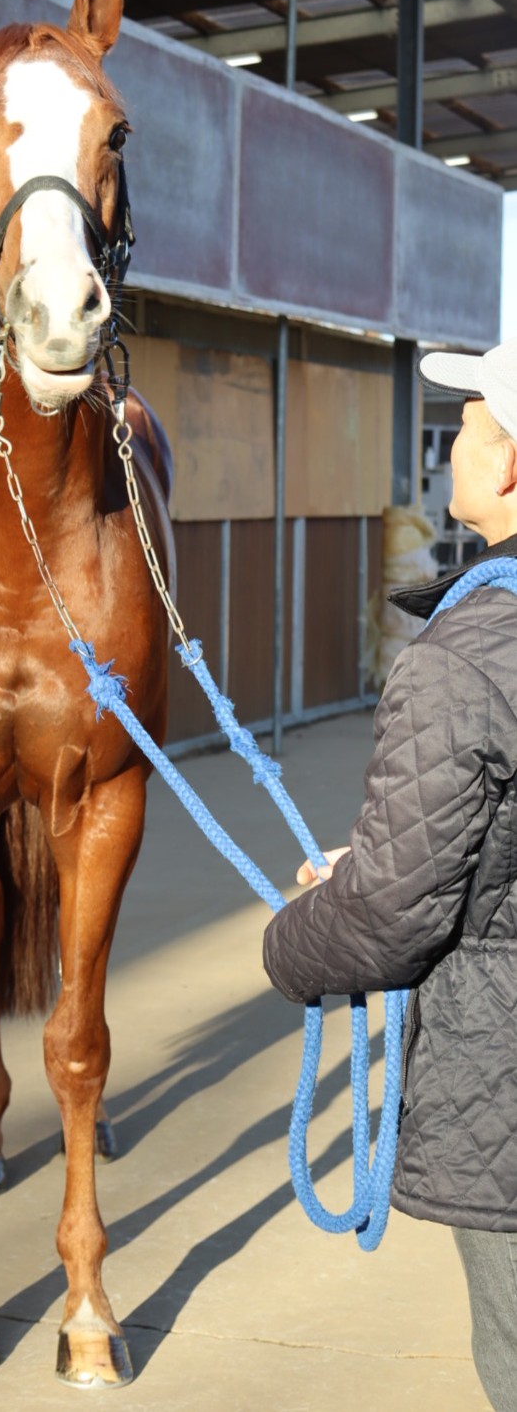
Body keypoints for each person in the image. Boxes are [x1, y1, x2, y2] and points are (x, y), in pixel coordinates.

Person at [263, 335, 517, 1412]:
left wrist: (294, 941)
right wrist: (396, 850)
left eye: (466, 425)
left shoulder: (462, 661)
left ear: (507, 464)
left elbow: (387, 917)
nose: (449, 444)